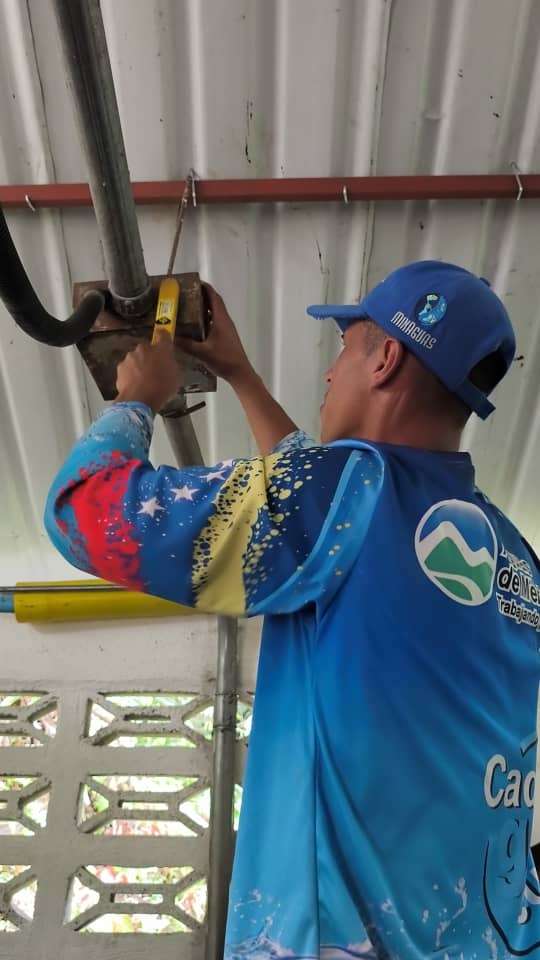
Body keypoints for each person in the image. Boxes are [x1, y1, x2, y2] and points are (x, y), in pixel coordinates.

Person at [45, 260, 540, 960]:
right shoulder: (515, 556)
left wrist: (136, 402)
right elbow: (322, 512)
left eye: (345, 349)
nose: (331, 373)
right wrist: (242, 376)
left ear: (387, 360)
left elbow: (83, 511)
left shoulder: (337, 495)